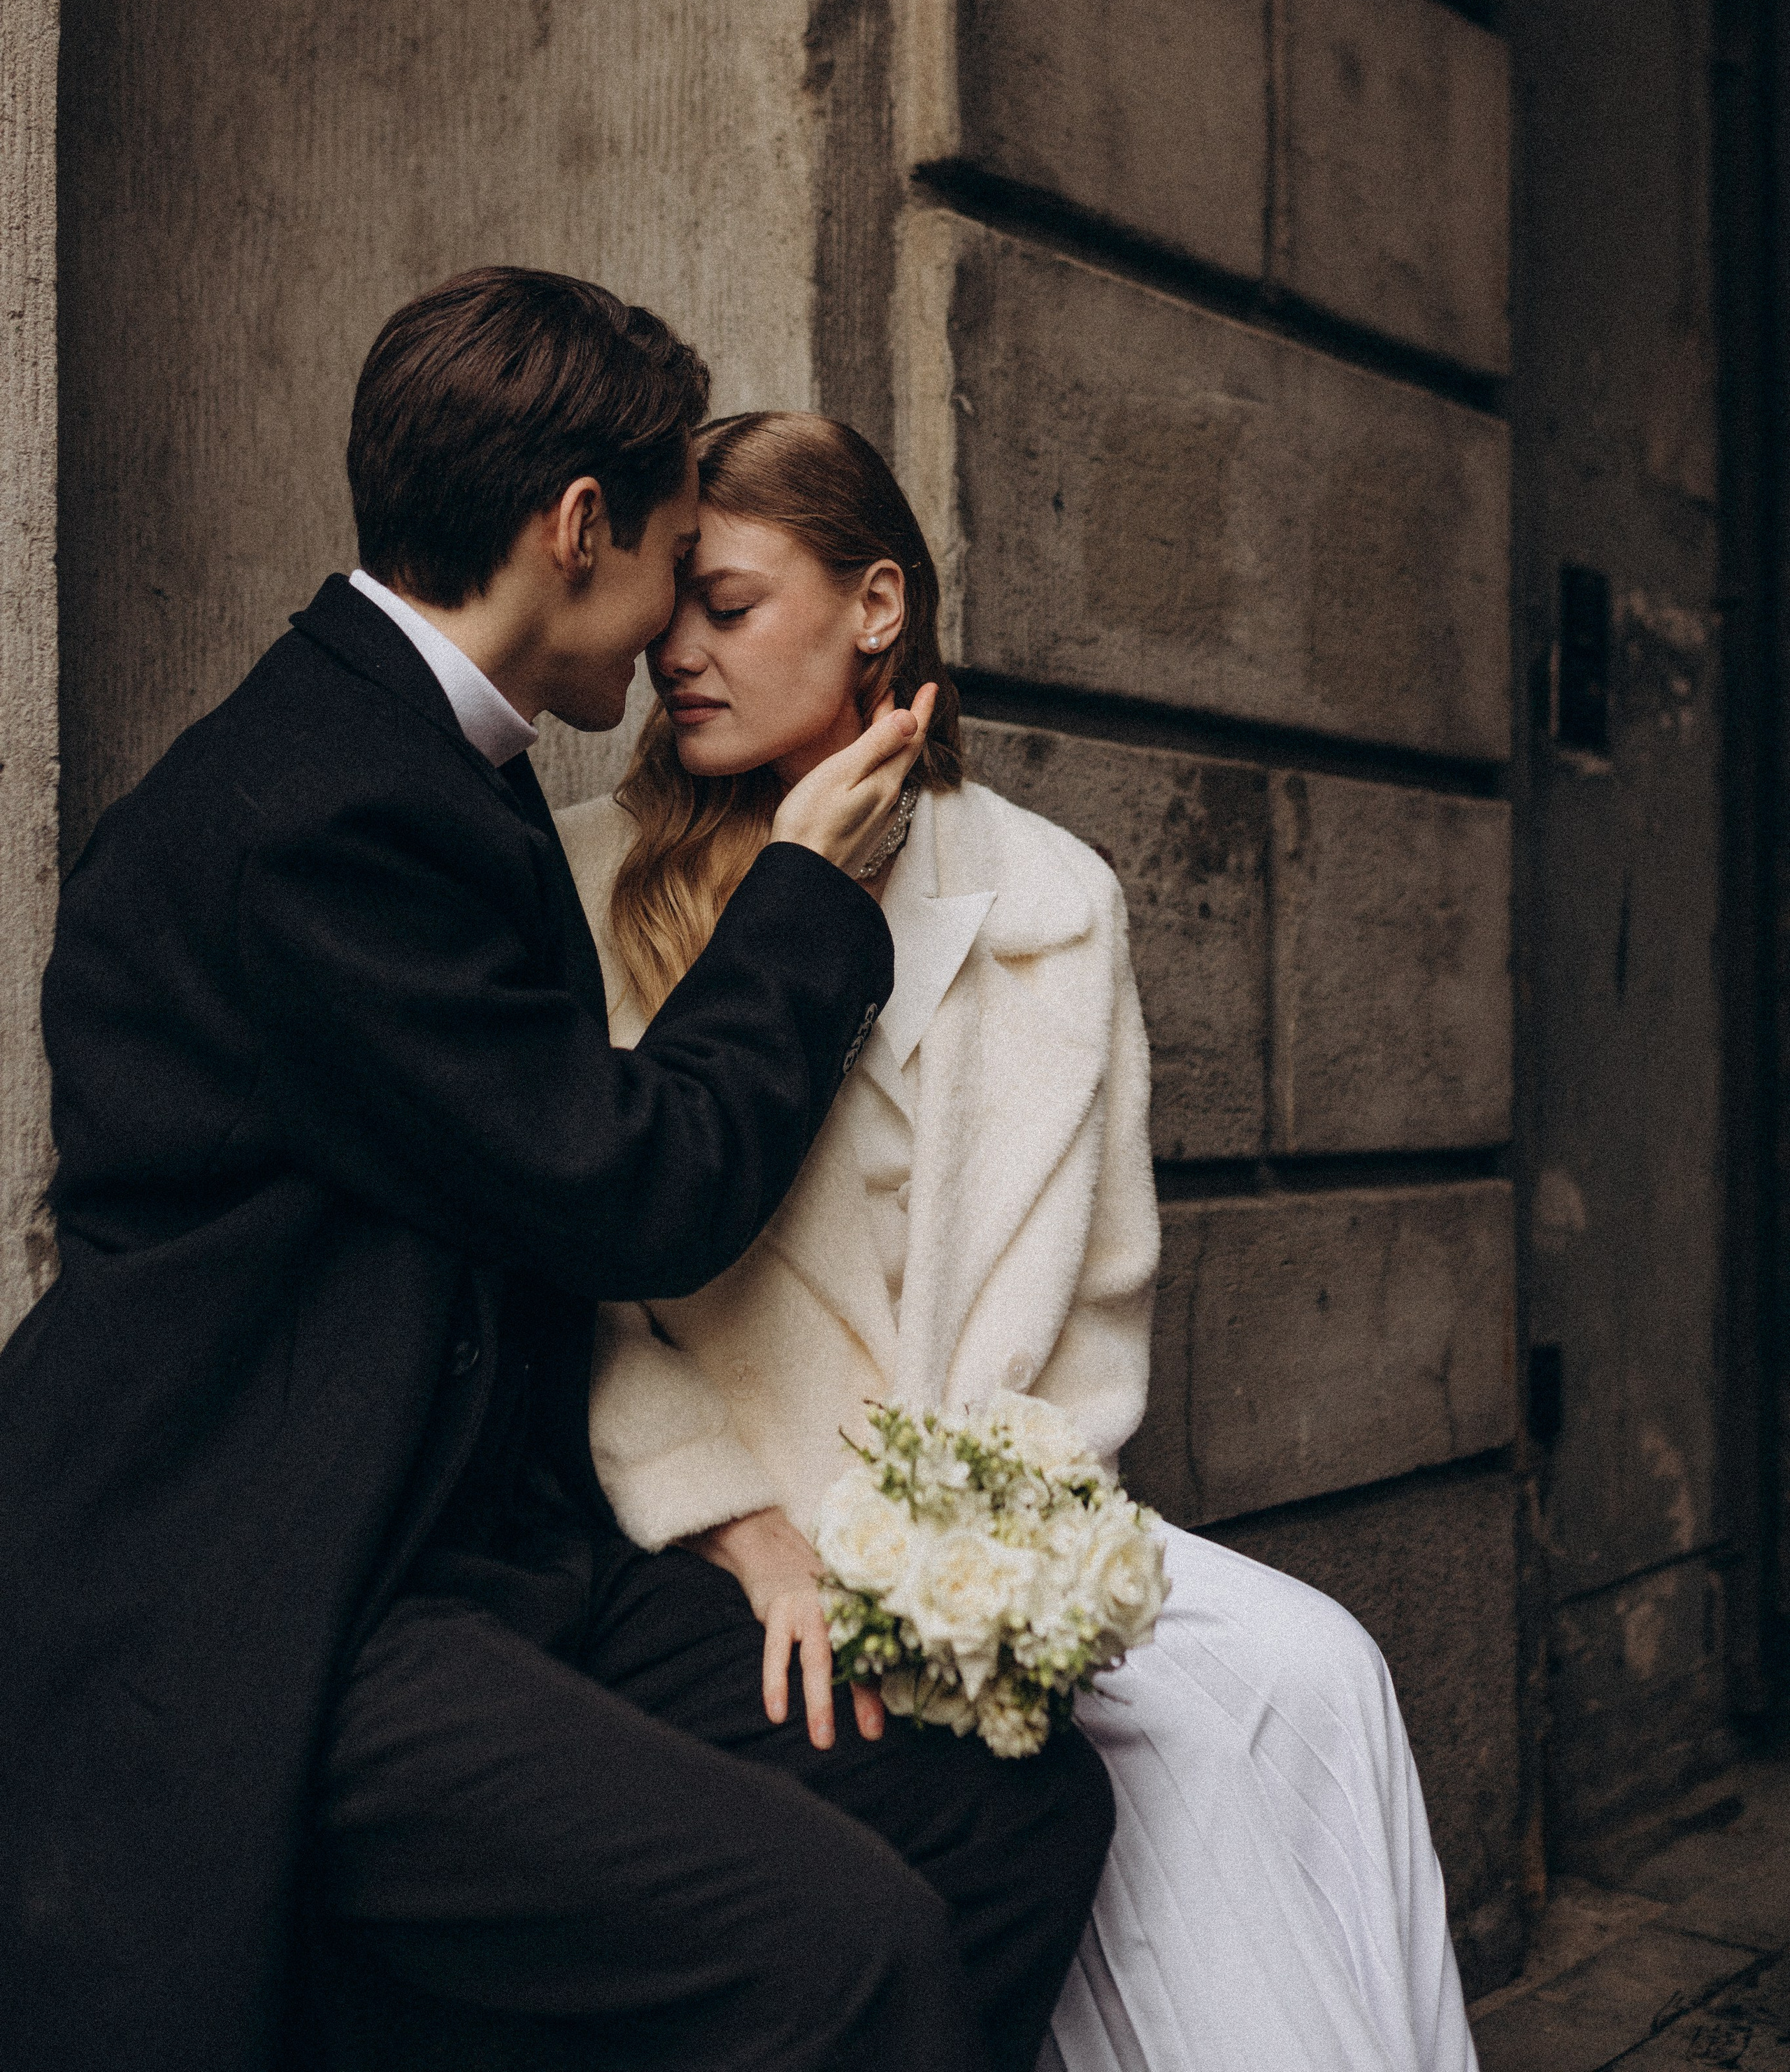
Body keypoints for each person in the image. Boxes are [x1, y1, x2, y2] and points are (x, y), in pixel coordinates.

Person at [0, 273, 1114, 2072]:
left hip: (494, 1557)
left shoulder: (426, 762)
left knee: (1008, 1813)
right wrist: (806, 902)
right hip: (279, 1602)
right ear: (578, 530)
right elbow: (625, 1190)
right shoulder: (318, 811)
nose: (682, 617)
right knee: (848, 1949)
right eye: (680, 552)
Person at [559, 408, 1482, 2072]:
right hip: (725, 1528)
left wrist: (986, 1556)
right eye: (669, 607)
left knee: (1312, 1674)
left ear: (875, 607)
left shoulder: (1055, 894)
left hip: (985, 1528)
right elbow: (586, 1309)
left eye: (731, 606)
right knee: (1113, 1779)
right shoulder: (590, 883)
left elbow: (1099, 1296)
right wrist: (747, 1534)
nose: (673, 654)